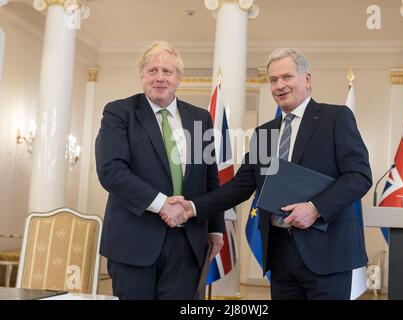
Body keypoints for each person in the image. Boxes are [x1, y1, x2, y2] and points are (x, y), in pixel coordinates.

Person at [167, 48, 372, 300]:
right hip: (280, 253)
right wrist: (192, 207)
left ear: (307, 79)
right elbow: (240, 186)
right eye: (273, 80)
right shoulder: (264, 134)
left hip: (327, 253)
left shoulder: (335, 118)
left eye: (287, 77)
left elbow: (359, 176)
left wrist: (315, 208)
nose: (279, 85)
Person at [95, 41, 224, 300]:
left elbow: (210, 176)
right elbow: (111, 171)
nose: (160, 78)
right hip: (134, 240)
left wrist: (215, 227)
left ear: (179, 78)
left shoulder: (200, 118)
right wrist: (162, 204)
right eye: (152, 70)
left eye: (168, 71)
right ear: (142, 76)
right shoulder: (119, 112)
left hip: (188, 242)